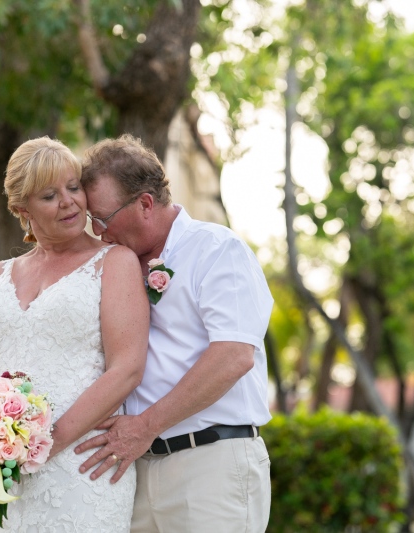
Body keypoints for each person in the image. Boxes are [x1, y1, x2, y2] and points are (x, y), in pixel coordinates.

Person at [76, 134, 274, 532]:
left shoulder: (218, 250)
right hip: (136, 469)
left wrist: (145, 426)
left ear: (145, 203)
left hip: (210, 465)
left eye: (102, 218)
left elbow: (234, 356)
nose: (98, 232)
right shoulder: (116, 267)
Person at [0, 136, 149, 532]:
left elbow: (126, 368)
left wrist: (44, 445)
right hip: (2, 475)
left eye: (74, 187)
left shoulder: (114, 263)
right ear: (21, 209)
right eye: (49, 195)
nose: (69, 201)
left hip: (82, 469)